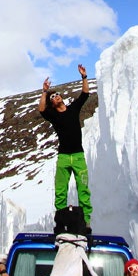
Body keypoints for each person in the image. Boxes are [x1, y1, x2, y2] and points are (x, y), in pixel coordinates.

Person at [39, 64, 92, 226]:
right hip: (63, 157)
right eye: (53, 97)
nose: (55, 96)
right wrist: (44, 92)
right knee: (60, 191)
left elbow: (85, 94)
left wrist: (84, 76)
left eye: (57, 95)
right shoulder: (53, 116)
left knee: (83, 189)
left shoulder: (73, 109)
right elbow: (41, 109)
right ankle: (61, 221)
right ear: (52, 103)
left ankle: (86, 221)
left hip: (78, 156)